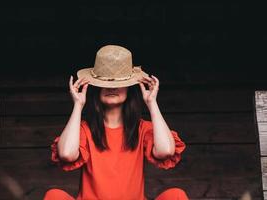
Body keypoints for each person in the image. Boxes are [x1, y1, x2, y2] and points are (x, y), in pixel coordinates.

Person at [43, 45, 189, 200]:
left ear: (129, 88)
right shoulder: (85, 130)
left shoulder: (142, 129)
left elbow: (166, 151)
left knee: (176, 195)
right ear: (96, 87)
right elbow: (66, 154)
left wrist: (152, 102)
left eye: (118, 82)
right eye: (106, 83)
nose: (112, 88)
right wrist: (78, 105)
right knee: (54, 196)